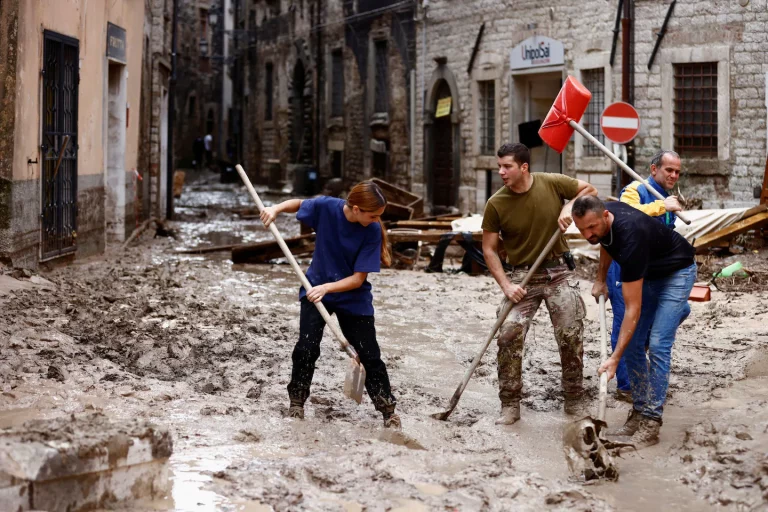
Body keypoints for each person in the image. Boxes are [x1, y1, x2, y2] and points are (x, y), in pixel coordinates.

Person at [260, 181, 400, 428]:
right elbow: (299, 204)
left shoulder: (372, 230)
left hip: (351, 296)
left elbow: (358, 279)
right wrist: (275, 209)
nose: (378, 219)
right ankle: (296, 403)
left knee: (370, 355)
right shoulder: (326, 207)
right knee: (307, 347)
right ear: (355, 208)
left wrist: (327, 288)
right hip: (314, 288)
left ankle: (388, 411)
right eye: (373, 214)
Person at [481, 143, 598, 425]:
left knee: (571, 334)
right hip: (522, 276)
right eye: (499, 166)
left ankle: (574, 398)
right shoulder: (496, 203)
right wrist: (507, 285)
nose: (501, 172)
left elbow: (589, 190)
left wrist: (569, 207)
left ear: (523, 167)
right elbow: (489, 249)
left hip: (559, 271)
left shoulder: (551, 183)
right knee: (508, 332)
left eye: (506, 166)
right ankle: (509, 404)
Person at [572, 196, 696, 448]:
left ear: (605, 216)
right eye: (582, 229)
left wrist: (614, 358)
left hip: (678, 271)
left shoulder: (631, 240)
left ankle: (651, 421)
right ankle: (640, 409)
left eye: (592, 227)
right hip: (650, 271)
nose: (588, 235)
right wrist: (600, 278)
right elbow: (605, 242)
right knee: (632, 344)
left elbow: (632, 309)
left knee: (659, 343)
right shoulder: (603, 219)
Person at [608, 150, 684, 403]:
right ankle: (627, 386)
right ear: (654, 170)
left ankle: (639, 353)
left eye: (677, 171)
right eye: (668, 170)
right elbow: (626, 215)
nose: (673, 175)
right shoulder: (635, 189)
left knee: (679, 311)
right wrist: (663, 205)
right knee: (625, 322)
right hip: (625, 266)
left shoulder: (668, 196)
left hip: (653, 269)